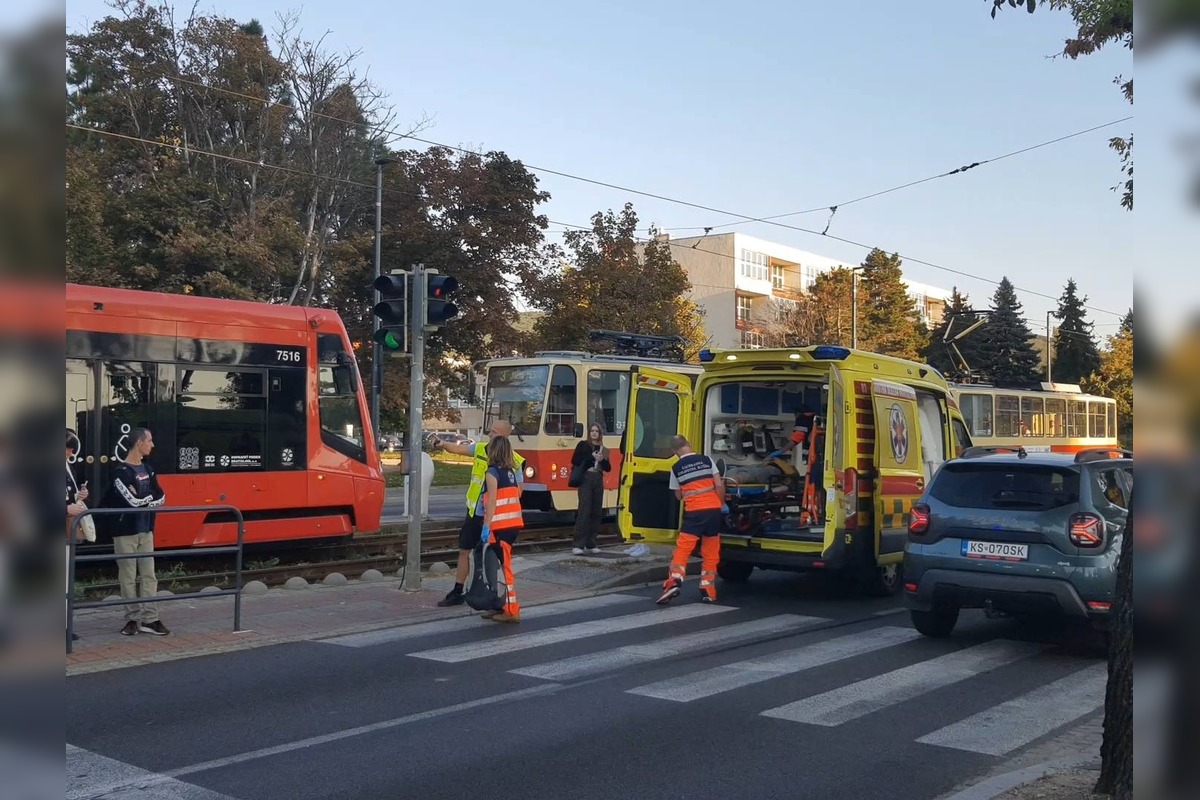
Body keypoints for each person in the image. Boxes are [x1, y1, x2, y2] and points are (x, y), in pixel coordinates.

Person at [433, 420, 526, 607]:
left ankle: (493, 595)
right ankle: (458, 591)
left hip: (494, 519)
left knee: (492, 557)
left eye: (493, 432)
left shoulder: (515, 460)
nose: (489, 434)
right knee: (464, 551)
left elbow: (518, 490)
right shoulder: (482, 448)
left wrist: (494, 515)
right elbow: (459, 450)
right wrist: (443, 444)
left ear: (503, 436)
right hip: (475, 512)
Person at [105, 427, 169, 636]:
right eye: (149, 441)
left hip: (146, 530)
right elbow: (131, 501)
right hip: (125, 531)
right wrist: (148, 498)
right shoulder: (120, 472)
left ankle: (151, 619)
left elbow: (161, 496)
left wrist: (146, 498)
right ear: (138, 442)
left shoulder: (149, 469)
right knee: (128, 576)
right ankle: (132, 619)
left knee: (149, 575)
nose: (152, 445)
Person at [658, 435, 726, 605]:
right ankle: (708, 588)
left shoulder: (676, 468)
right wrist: (721, 504)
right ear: (689, 445)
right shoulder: (707, 459)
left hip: (695, 513)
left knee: (683, 548)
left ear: (675, 452)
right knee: (711, 549)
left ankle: (675, 579)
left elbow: (678, 495)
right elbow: (719, 485)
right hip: (713, 511)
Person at [478, 436, 525, 623]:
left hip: (500, 526)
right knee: (504, 567)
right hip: (513, 525)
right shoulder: (510, 472)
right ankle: (502, 605)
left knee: (506, 570)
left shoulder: (492, 472)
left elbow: (492, 501)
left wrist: (486, 526)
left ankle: (512, 610)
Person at [570, 423, 610, 554]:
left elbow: (608, 468)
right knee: (584, 510)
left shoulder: (603, 448)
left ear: (600, 434)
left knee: (596, 511)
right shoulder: (583, 445)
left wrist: (602, 459)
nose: (594, 433)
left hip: (598, 477)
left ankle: (591, 543)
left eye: (596, 431)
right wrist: (591, 457)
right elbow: (575, 460)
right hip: (586, 477)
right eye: (592, 431)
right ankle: (578, 544)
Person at [65, 429, 89, 642]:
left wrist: (79, 496)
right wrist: (66, 509)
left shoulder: (66, 465)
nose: (71, 452)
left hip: (66, 527)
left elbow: (67, 493)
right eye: (69, 448)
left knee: (64, 578)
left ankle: (63, 625)